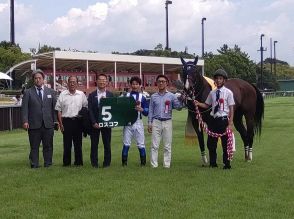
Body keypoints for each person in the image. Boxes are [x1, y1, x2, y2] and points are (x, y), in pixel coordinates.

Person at [194, 69, 235, 169]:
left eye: (220, 79)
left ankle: (227, 163)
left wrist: (230, 123)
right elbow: (207, 104)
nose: (218, 80)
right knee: (211, 143)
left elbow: (231, 108)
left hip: (223, 120)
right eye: (216, 79)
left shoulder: (228, 93)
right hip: (213, 120)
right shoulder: (212, 93)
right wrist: (198, 104)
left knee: (225, 143)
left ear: (224, 80)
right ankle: (213, 163)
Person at [21, 69, 57, 168]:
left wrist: (55, 121)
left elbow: (54, 108)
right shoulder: (28, 92)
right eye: (35, 78)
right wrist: (25, 121)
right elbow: (24, 108)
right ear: (33, 80)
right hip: (33, 124)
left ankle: (48, 163)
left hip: (48, 124)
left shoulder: (51, 92)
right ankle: (34, 164)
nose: (38, 80)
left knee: (48, 146)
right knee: (34, 146)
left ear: (43, 79)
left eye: (39, 78)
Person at [148, 74, 183, 168]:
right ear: (157, 83)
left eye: (163, 81)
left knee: (167, 145)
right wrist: (149, 123)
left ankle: (166, 165)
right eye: (159, 81)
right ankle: (153, 165)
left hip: (167, 121)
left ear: (166, 83)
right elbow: (150, 110)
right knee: (154, 145)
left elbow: (178, 107)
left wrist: (183, 100)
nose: (161, 83)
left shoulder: (171, 96)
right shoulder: (153, 96)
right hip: (156, 121)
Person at [55, 76, 88, 166]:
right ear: (67, 83)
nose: (72, 83)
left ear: (77, 83)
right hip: (67, 121)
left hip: (78, 122)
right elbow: (58, 110)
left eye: (74, 82)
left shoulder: (81, 94)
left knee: (78, 144)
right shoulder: (62, 94)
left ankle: (78, 162)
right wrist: (61, 124)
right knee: (67, 144)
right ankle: (66, 163)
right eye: (70, 82)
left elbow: (85, 108)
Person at [121, 76, 149, 166]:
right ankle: (124, 164)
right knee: (126, 143)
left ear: (140, 85)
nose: (135, 86)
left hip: (138, 122)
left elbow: (146, 112)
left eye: (137, 84)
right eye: (133, 84)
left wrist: (142, 110)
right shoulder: (125, 96)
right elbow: (120, 109)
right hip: (128, 122)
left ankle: (143, 164)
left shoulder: (143, 97)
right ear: (130, 85)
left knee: (141, 144)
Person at [88, 74, 114, 168]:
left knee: (107, 144)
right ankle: (94, 164)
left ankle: (107, 163)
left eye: (104, 80)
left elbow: (113, 110)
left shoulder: (110, 95)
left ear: (106, 82)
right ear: (97, 81)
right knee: (94, 145)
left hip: (107, 123)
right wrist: (94, 122)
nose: (102, 82)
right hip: (95, 124)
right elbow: (90, 110)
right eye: (100, 80)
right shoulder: (92, 95)